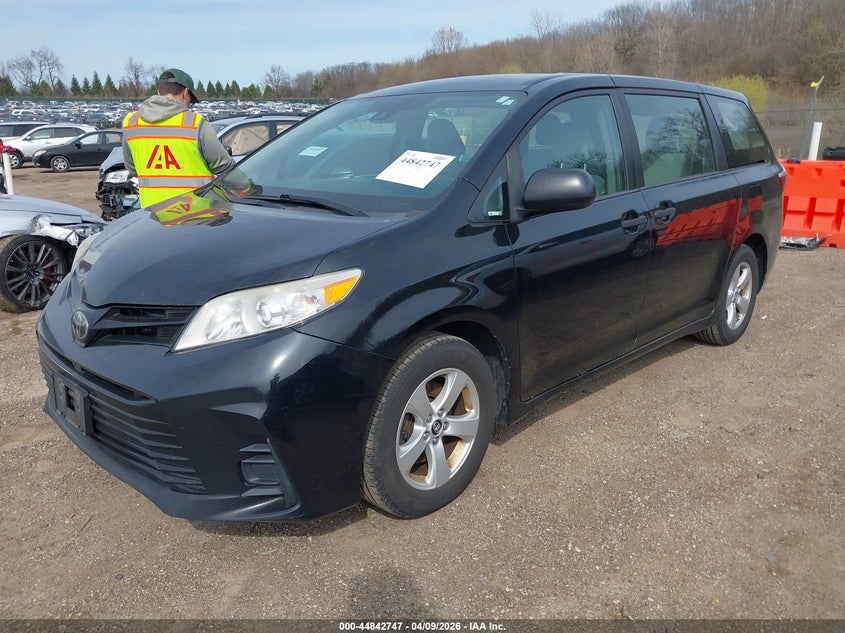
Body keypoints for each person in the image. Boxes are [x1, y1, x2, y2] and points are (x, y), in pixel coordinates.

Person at [122, 68, 234, 207]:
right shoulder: (195, 123)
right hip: (196, 215)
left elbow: (133, 169)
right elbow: (225, 167)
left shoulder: (131, 123)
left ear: (158, 92)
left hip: (152, 217)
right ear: (186, 93)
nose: (189, 105)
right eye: (191, 101)